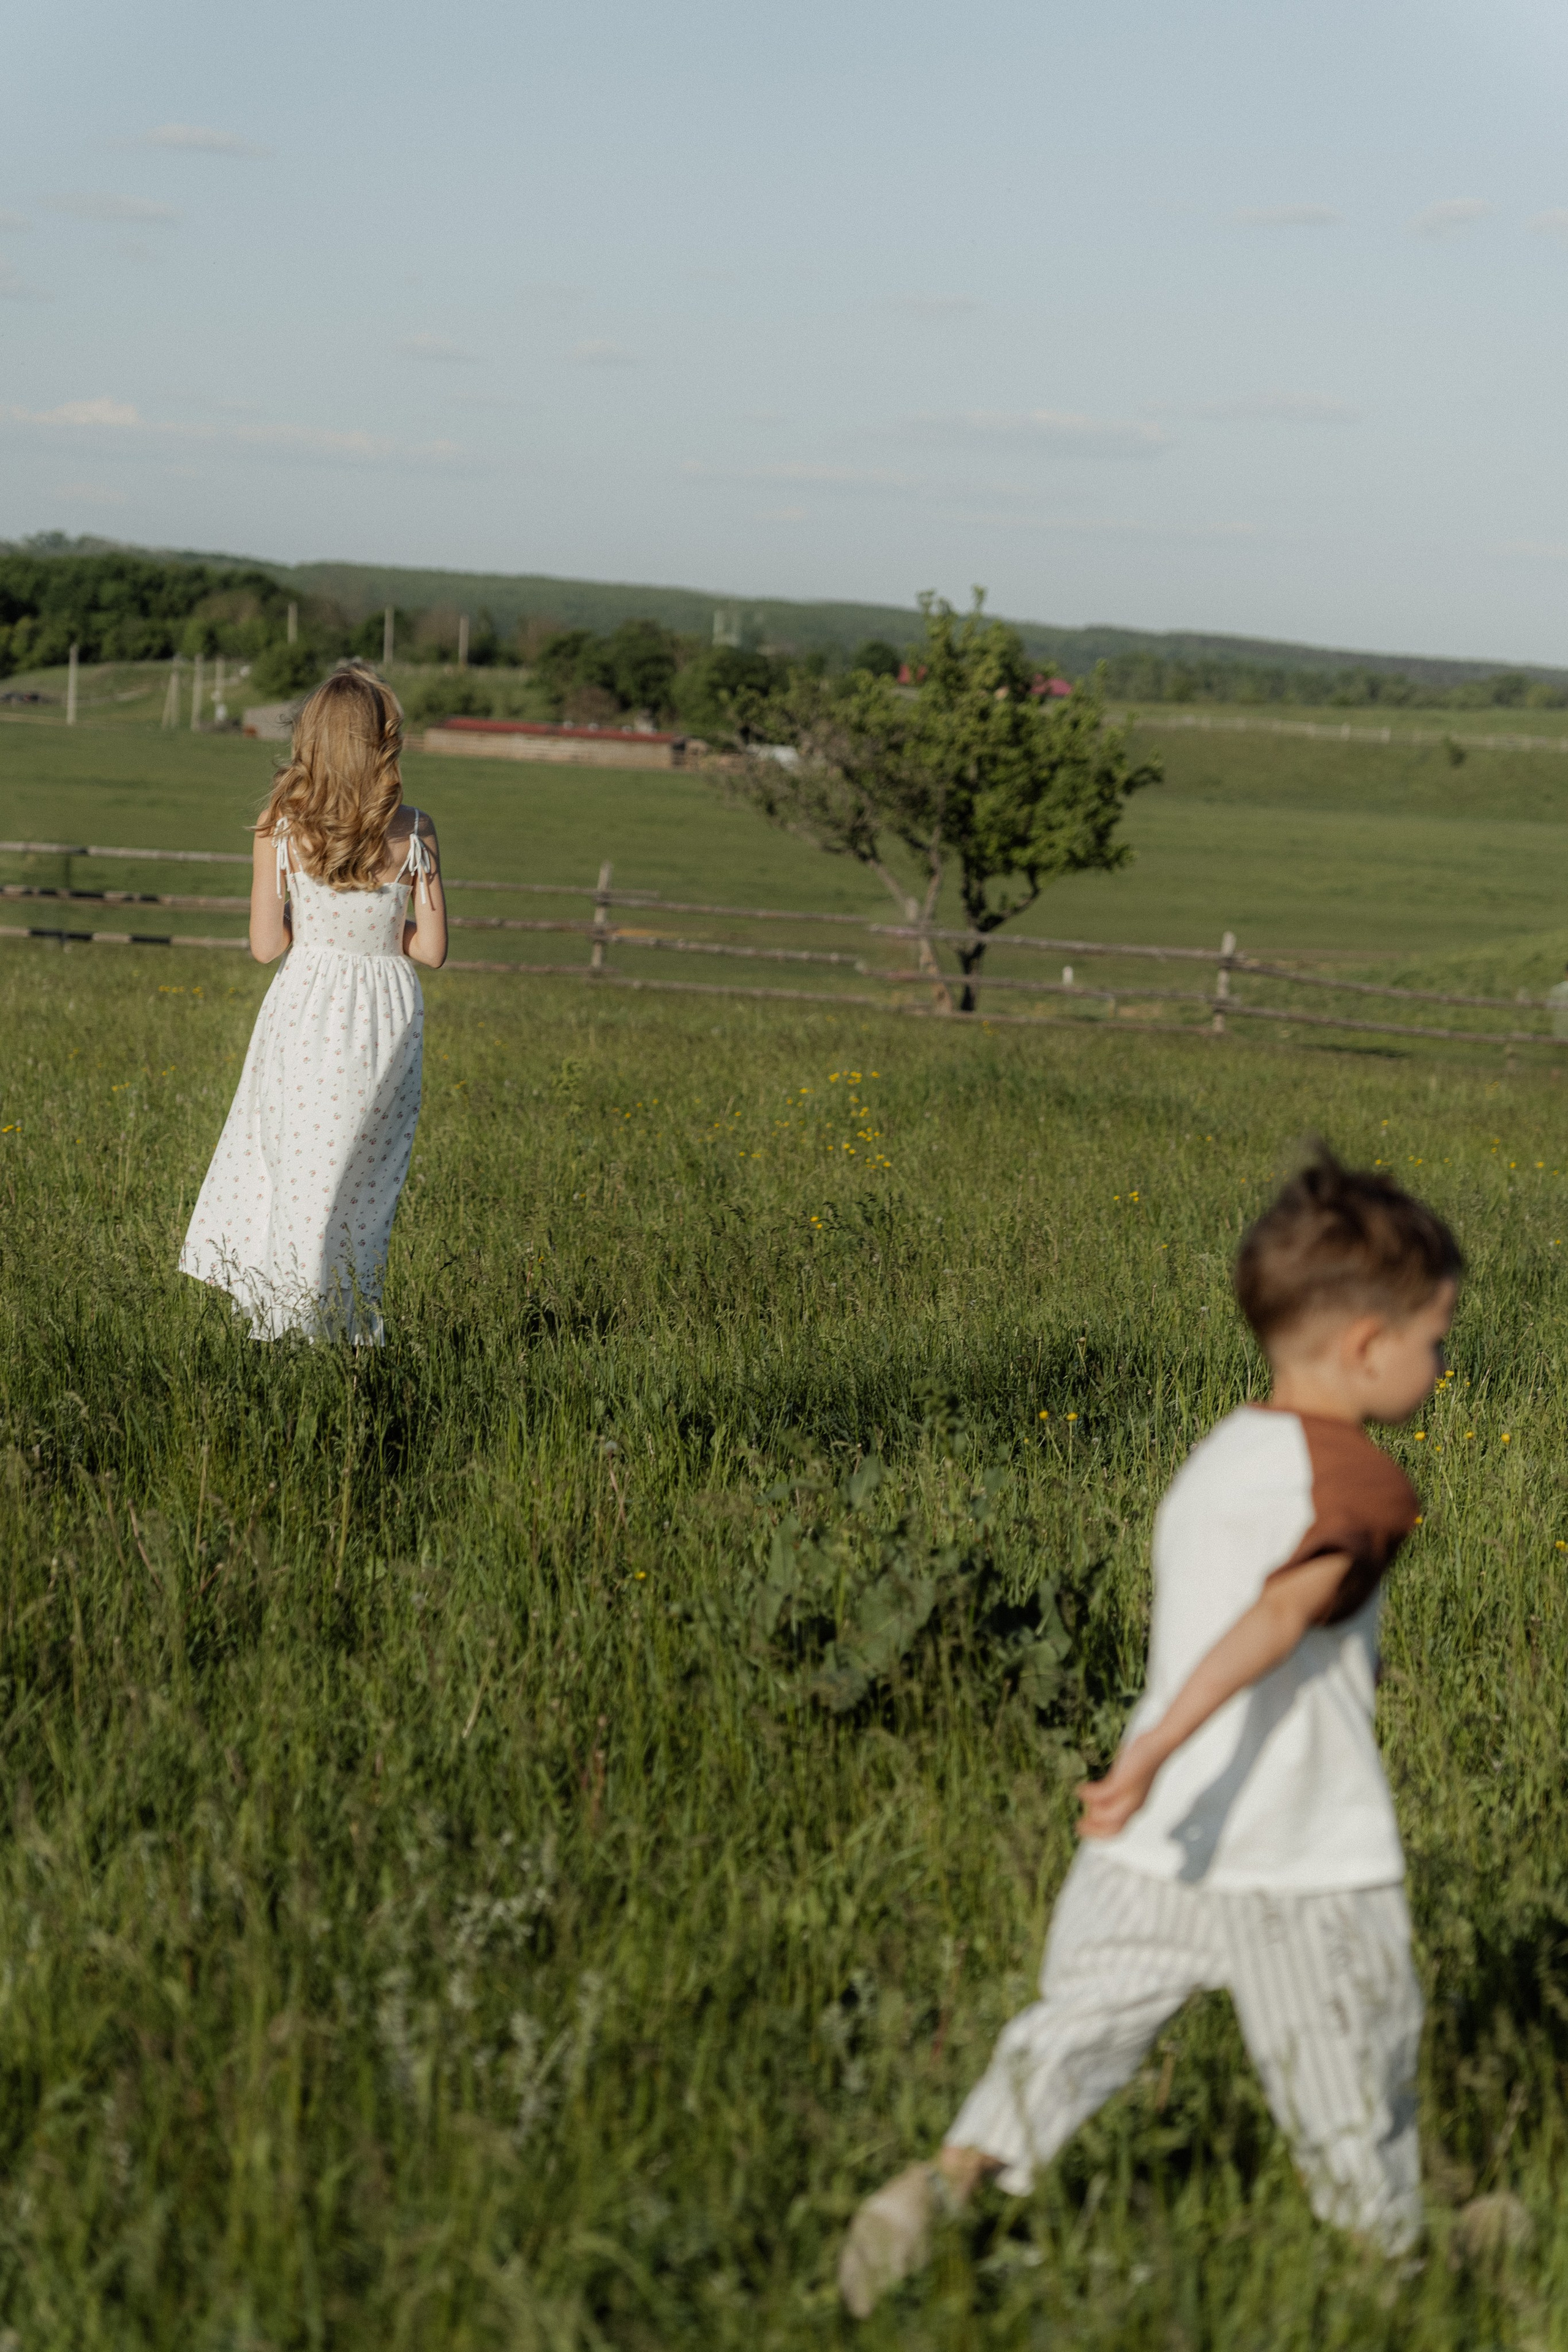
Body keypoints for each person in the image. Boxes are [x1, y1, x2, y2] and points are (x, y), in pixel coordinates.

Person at [839, 1149, 1462, 2316]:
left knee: (1070, 2037)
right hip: (1295, 1852)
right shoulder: (1365, 1486)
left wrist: (1145, 1773)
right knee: (1352, 2073)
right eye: (1437, 1338)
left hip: (1153, 1847)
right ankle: (1394, 2277)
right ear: (1368, 1347)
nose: (1443, 1361)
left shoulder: (1219, 1458)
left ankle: (944, 2187)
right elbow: (1279, 1616)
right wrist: (1153, 1746)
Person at [179, 663, 447, 1343]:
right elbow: (432, 950)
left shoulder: (280, 824)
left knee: (296, 1171)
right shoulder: (416, 830)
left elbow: (267, 945)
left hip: (306, 1008)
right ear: (382, 742)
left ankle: (286, 1321)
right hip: (385, 1015)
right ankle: (342, 1322)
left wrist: (323, 925)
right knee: (361, 1181)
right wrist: (379, 927)